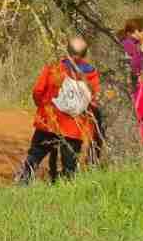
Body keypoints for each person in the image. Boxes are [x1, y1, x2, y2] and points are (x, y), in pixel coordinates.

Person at [18, 37, 100, 183]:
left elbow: (38, 91)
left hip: (49, 121)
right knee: (70, 167)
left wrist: (42, 106)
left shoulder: (54, 68)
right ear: (85, 54)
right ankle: (66, 193)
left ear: (67, 50)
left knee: (34, 157)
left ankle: (22, 184)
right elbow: (93, 101)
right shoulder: (92, 74)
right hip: (75, 128)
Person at [121, 18, 143, 91]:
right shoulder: (127, 43)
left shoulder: (136, 43)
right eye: (140, 31)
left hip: (137, 77)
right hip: (133, 80)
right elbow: (134, 64)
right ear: (130, 33)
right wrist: (142, 50)